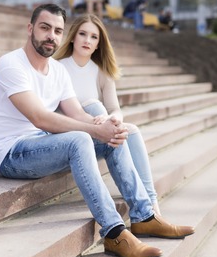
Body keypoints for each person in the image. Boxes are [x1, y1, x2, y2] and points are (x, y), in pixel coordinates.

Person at [0, 4, 194, 257]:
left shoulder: (57, 71)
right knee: (82, 138)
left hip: (42, 145)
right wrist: (94, 130)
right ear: (30, 29)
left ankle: (144, 216)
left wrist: (106, 127)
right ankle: (115, 233)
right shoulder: (11, 64)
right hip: (12, 153)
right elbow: (40, 118)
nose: (51, 35)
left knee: (111, 138)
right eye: (45, 27)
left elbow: (77, 114)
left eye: (57, 30)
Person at [54, 13, 161, 215]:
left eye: (94, 37)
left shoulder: (101, 71)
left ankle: (152, 204)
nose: (87, 40)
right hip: (69, 134)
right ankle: (149, 210)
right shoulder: (58, 67)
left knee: (132, 130)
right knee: (94, 106)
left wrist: (113, 119)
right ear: (73, 37)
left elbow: (115, 110)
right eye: (82, 34)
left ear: (98, 44)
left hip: (97, 132)